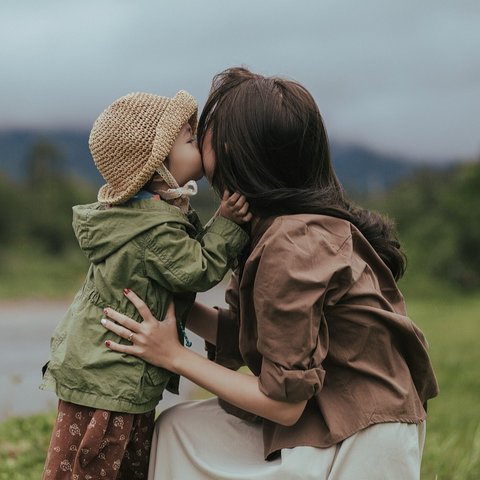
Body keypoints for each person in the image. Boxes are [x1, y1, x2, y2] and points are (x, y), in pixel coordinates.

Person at [101, 67, 439, 480]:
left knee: (184, 434)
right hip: (329, 412)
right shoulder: (275, 227)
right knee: (178, 431)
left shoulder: (292, 243)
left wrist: (173, 354)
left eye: (202, 132)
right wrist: (167, 301)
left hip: (362, 437)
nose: (195, 138)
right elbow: (252, 335)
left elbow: (283, 401)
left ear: (233, 150)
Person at [40, 90, 252, 479]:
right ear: (158, 168)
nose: (199, 142)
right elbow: (197, 269)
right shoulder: (151, 229)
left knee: (117, 463)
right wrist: (228, 225)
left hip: (109, 372)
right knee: (100, 465)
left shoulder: (146, 216)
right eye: (190, 141)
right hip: (110, 378)